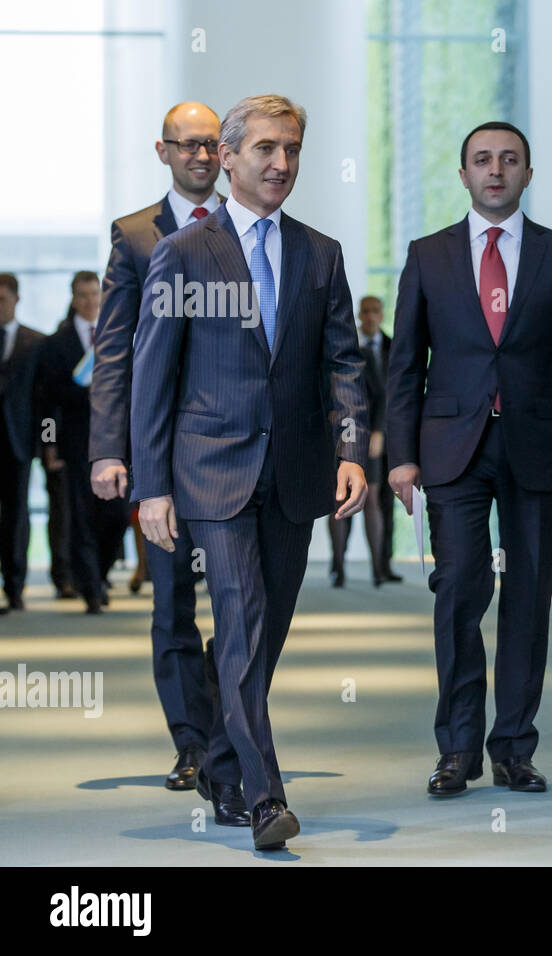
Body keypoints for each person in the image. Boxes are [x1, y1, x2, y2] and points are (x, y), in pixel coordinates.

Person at [132, 94, 369, 851]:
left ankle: (223, 764)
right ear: (227, 158)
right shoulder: (183, 254)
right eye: (266, 148)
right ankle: (267, 798)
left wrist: (352, 451)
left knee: (262, 636)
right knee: (239, 619)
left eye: (293, 148)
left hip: (296, 474)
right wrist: (152, 486)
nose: (281, 163)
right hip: (212, 470)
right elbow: (151, 375)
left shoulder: (320, 252)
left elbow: (344, 364)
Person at [388, 121, 552, 797]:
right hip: (451, 450)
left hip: (539, 447)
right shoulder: (428, 255)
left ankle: (514, 748)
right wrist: (401, 457)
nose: (495, 170)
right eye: (482, 160)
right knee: (461, 590)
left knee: (529, 597)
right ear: (463, 174)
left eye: (509, 160)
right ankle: (458, 747)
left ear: (528, 173)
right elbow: (405, 363)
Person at [91, 101, 224, 793]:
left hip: (236, 449)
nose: (201, 156)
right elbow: (114, 351)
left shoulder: (248, 226)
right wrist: (108, 450)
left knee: (240, 602)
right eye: (188, 145)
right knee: (173, 600)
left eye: (211, 144)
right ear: (163, 150)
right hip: (163, 452)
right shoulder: (135, 235)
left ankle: (228, 728)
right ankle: (192, 742)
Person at [36, 272, 131, 614]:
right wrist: (49, 446)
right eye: (83, 295)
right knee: (80, 518)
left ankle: (99, 573)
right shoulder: (55, 343)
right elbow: (45, 402)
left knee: (117, 515)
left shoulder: (119, 337)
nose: (90, 300)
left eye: (95, 294)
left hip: (119, 445)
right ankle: (90, 588)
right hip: (74, 444)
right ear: (74, 299)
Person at [329, 302, 387, 587]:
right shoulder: (322, 350)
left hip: (362, 433)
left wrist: (377, 430)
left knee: (372, 499)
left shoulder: (360, 355)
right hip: (332, 436)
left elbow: (381, 396)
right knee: (337, 500)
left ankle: (378, 569)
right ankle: (338, 568)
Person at [0, 273, 45, 614]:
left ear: (16, 299)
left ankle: (15, 587)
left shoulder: (35, 342)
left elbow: (46, 402)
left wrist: (49, 443)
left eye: (3, 299)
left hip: (19, 444)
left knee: (17, 516)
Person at [357, 295, 402, 582]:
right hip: (359, 433)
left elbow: (398, 392)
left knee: (388, 500)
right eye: (366, 311)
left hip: (391, 435)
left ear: (382, 314)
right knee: (360, 499)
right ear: (359, 315)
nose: (371, 316)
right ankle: (341, 565)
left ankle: (384, 564)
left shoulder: (394, 347)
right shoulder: (349, 346)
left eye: (376, 310)